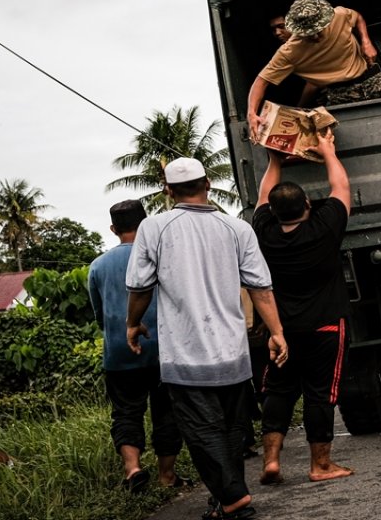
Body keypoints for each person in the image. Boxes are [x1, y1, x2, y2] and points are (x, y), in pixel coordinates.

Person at [125, 158, 289, 520]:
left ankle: (232, 497)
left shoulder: (154, 228)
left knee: (201, 431)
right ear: (209, 184)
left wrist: (132, 324)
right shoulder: (237, 228)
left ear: (167, 191)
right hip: (232, 351)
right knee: (232, 428)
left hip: (186, 354)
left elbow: (139, 287)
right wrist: (276, 332)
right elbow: (260, 286)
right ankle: (225, 500)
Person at [252, 130, 355, 484]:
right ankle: (321, 466)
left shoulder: (263, 233)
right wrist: (327, 150)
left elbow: (263, 196)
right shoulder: (324, 229)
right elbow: (341, 188)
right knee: (319, 394)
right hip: (325, 327)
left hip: (281, 332)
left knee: (278, 390)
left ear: (273, 212)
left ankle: (271, 462)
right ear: (307, 207)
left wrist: (274, 160)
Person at [88, 199, 190, 493]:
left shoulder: (97, 266)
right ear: (146, 223)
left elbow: (99, 316)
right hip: (165, 350)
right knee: (167, 412)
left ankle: (133, 469)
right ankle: (167, 476)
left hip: (119, 354)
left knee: (125, 412)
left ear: (112, 229)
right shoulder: (162, 257)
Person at [247, 0, 381, 137]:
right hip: (340, 95)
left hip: (372, 79)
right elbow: (261, 81)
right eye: (309, 34)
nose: (315, 37)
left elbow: (357, 17)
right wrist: (251, 113)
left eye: (318, 31)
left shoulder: (338, 15)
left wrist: (366, 41)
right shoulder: (289, 52)